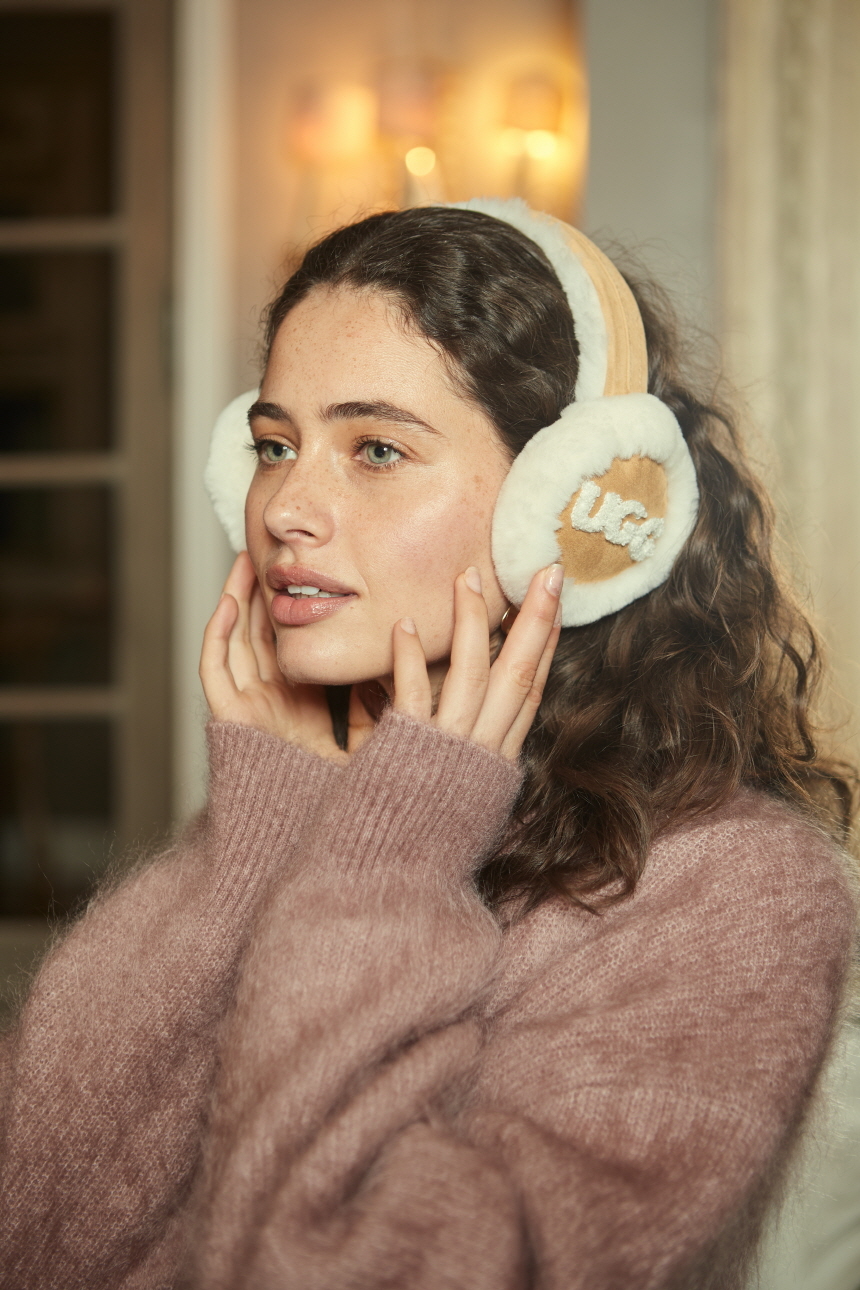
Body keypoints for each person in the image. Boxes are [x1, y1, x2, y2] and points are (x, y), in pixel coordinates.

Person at [0, 200, 855, 1290]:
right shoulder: (306, 793)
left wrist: (392, 859)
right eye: (273, 446)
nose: (285, 508)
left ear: (566, 504)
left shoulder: (731, 891)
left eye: (376, 449)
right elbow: (37, 1233)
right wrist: (257, 848)